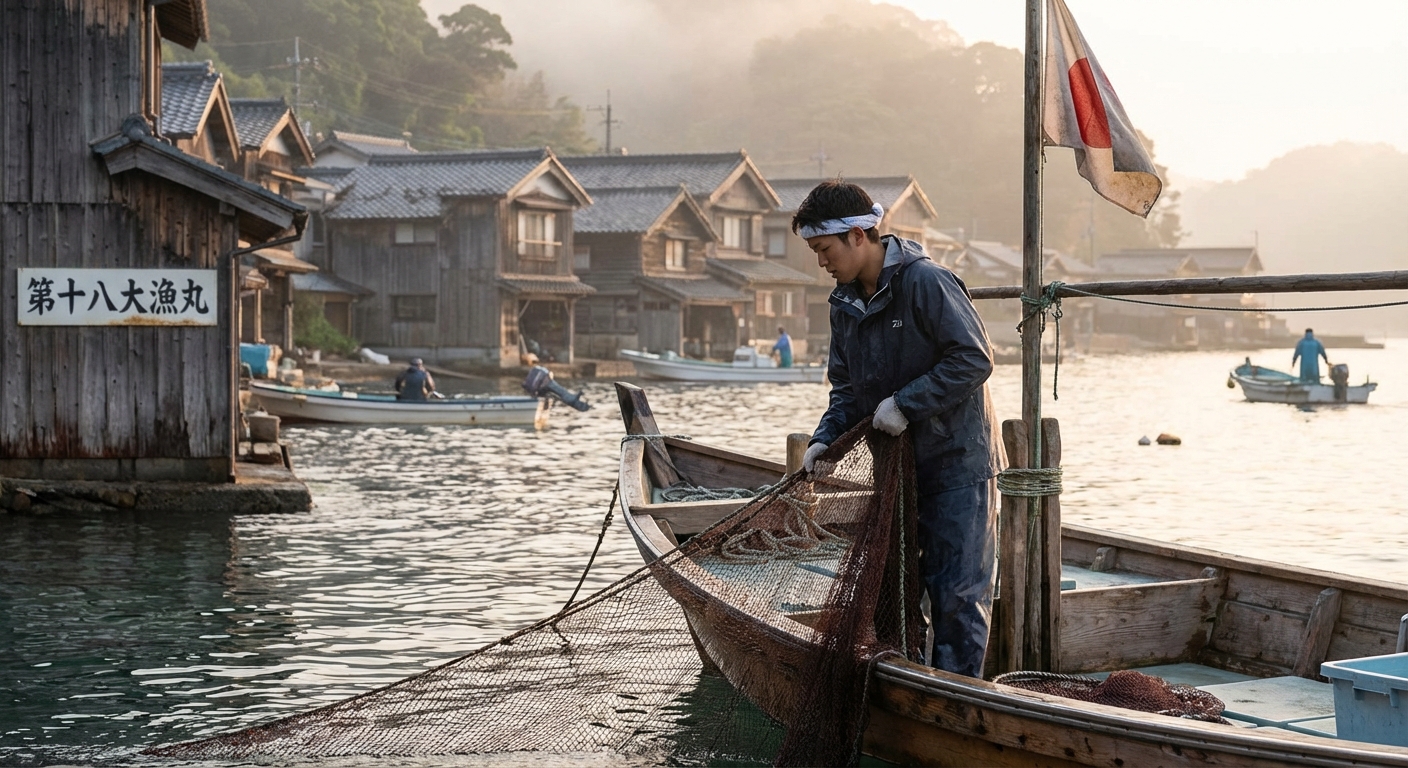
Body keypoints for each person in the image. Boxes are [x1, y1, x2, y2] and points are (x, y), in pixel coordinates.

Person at [796, 180, 1001, 679]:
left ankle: (956, 702)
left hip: (957, 465)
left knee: (957, 595)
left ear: (860, 235)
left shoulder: (927, 281)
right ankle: (910, 692)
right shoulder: (842, 303)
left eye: (824, 250)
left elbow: (974, 358)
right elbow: (845, 387)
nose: (822, 262)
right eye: (815, 252)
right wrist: (826, 438)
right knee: (896, 592)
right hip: (897, 472)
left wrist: (907, 405)